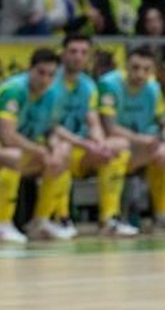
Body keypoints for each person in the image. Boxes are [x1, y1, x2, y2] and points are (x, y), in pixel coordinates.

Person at [43, 33, 134, 237]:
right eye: (73, 51)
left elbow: (93, 120)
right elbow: (51, 125)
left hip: (81, 150)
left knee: (117, 146)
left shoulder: (89, 85)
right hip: (56, 145)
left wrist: (100, 143)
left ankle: (110, 217)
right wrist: (83, 143)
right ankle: (61, 217)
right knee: (62, 147)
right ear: (63, 54)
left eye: (84, 52)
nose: (78, 57)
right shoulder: (50, 82)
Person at [0, 49, 68, 245]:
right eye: (41, 73)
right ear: (30, 70)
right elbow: (7, 136)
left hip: (22, 148)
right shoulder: (14, 91)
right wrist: (39, 150)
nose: (45, 79)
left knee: (61, 157)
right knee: (13, 156)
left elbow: (50, 130)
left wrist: (54, 148)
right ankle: (1, 224)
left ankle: (41, 221)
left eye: (51, 74)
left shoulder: (52, 94)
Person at [98, 46, 165, 226]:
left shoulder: (154, 88)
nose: (140, 74)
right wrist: (143, 140)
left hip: (140, 148)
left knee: (163, 153)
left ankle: (161, 214)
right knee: (117, 146)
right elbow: (110, 128)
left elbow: (161, 120)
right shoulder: (108, 84)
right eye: (135, 68)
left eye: (146, 69)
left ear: (152, 70)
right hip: (107, 146)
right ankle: (110, 217)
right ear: (125, 65)